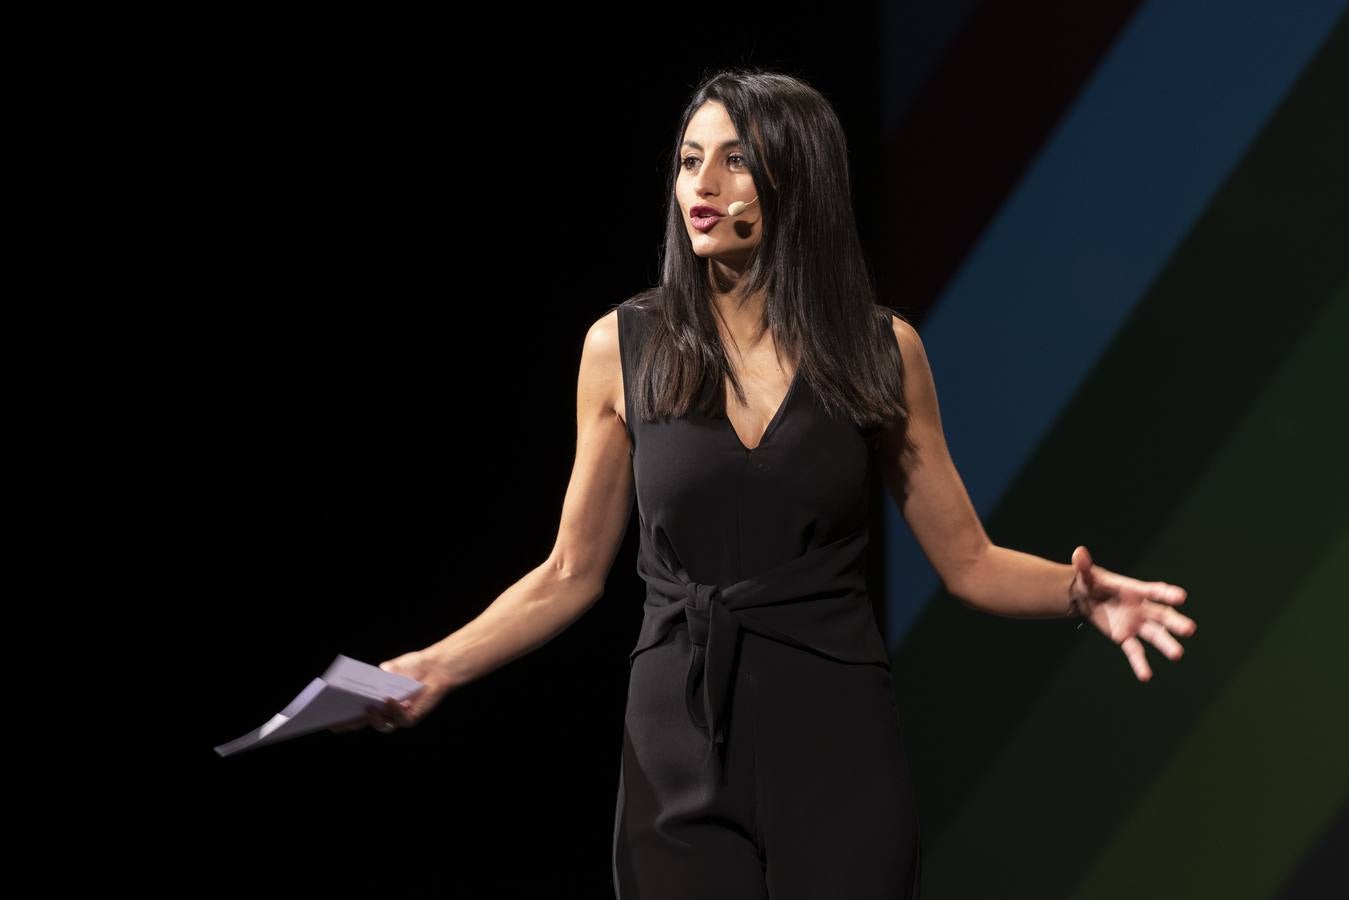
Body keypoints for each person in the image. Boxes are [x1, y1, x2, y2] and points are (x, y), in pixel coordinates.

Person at [331, 67, 1197, 897]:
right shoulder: (620, 348)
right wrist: (432, 668)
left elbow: (967, 560)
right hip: (676, 738)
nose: (702, 181)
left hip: (835, 735)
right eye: (687, 159)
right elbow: (568, 572)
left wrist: (1079, 598)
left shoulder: (878, 351)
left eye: (735, 157)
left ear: (798, 178)